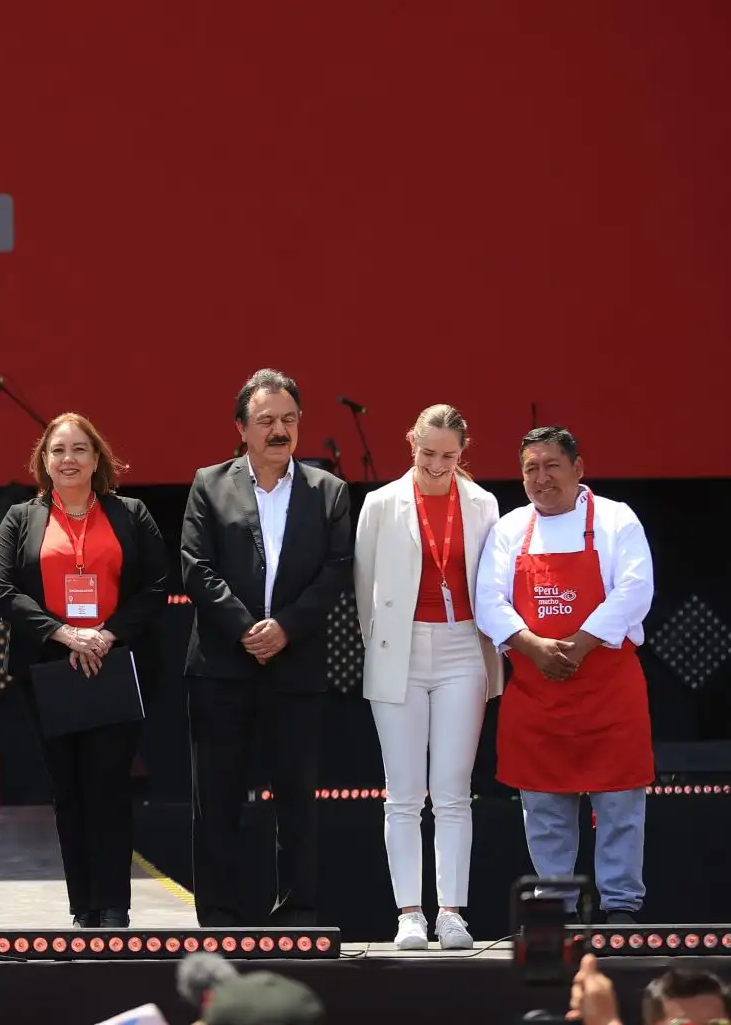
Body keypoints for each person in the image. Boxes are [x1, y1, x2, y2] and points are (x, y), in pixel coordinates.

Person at [180, 369, 352, 928]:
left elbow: (336, 572)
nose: (279, 430)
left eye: (288, 420)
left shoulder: (328, 490)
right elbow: (195, 568)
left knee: (298, 800)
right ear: (241, 428)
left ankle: (298, 914)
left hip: (296, 666)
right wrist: (248, 628)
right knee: (218, 801)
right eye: (266, 421)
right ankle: (220, 919)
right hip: (223, 667)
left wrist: (285, 628)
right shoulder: (209, 483)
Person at [0, 413, 167, 929]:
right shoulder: (21, 518)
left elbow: (156, 586)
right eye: (58, 451)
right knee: (68, 791)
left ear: (97, 459)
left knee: (110, 787)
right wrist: (65, 634)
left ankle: (114, 905)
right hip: (51, 668)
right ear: (43, 462)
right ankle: (84, 907)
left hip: (114, 664)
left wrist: (105, 635)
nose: (68, 459)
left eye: (79, 450)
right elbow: (3, 590)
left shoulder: (130, 513)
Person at [475, 426, 654, 925]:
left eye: (552, 465)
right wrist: (531, 645)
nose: (541, 477)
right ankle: (556, 908)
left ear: (578, 469)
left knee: (620, 805)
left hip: (608, 689)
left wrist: (580, 643)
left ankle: (620, 907)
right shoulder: (511, 528)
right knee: (545, 811)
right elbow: (487, 600)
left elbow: (636, 590)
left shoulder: (618, 520)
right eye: (530, 468)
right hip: (537, 689)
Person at [352, 404, 502, 950]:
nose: (438, 466)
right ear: (411, 442)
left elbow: (490, 581)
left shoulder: (483, 504)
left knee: (454, 791)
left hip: (464, 645)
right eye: (428, 453)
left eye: (450, 456)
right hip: (401, 648)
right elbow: (364, 585)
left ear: (464, 453)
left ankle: (452, 912)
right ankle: (409, 913)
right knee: (404, 794)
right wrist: (388, 645)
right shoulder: (380, 503)